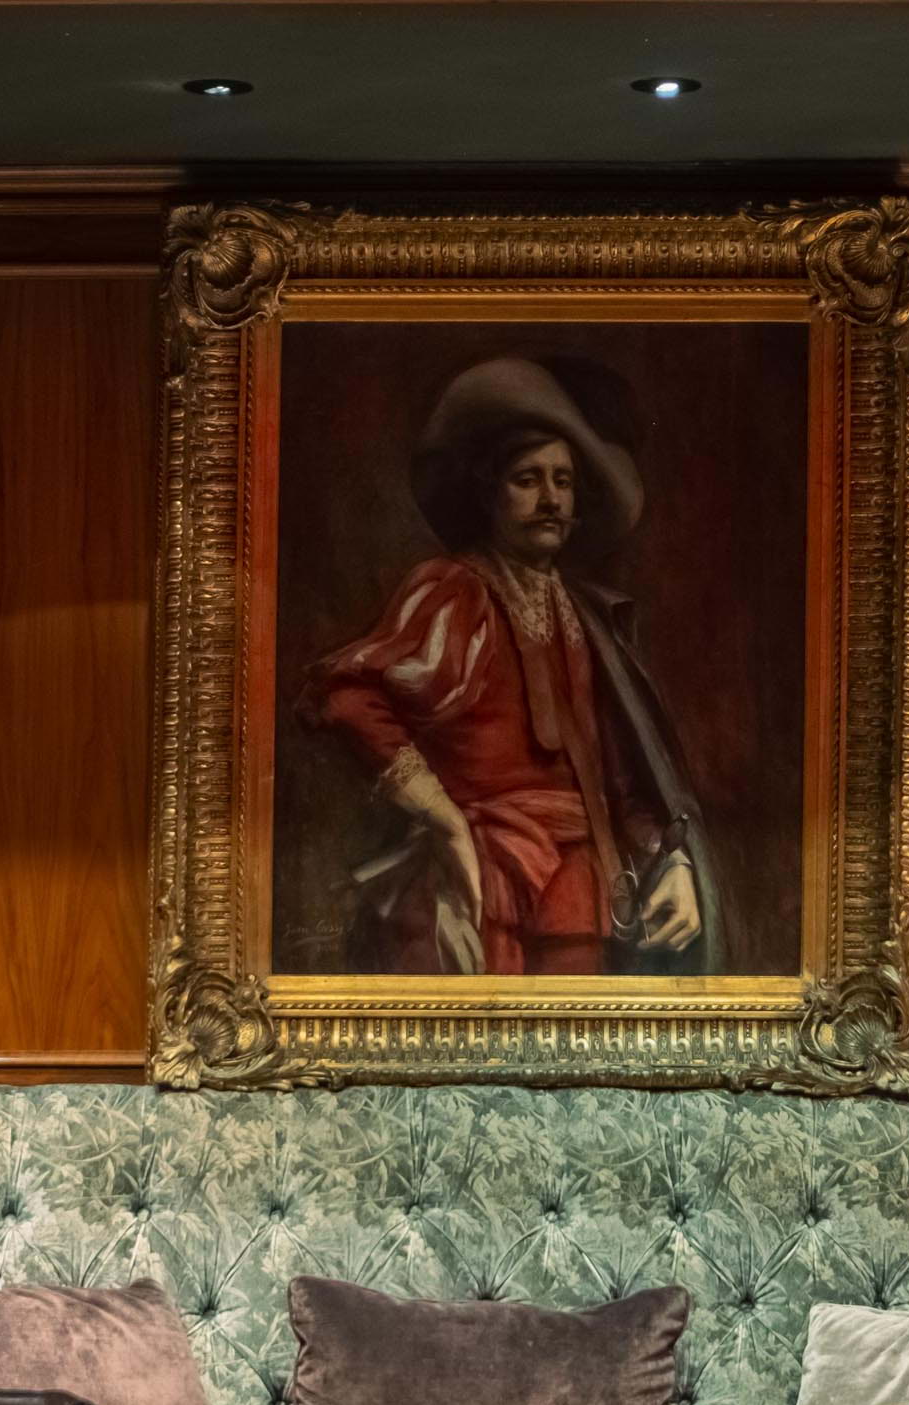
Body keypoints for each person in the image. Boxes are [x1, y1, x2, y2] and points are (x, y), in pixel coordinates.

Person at [305, 356, 718, 976]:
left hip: (583, 890)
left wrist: (674, 862)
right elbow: (344, 695)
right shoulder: (454, 589)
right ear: (488, 493)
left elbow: (624, 786)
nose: (550, 499)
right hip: (479, 883)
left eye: (563, 481)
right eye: (528, 479)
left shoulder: (591, 621)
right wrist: (443, 819)